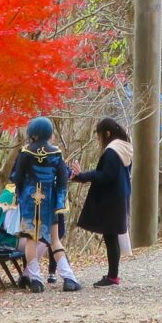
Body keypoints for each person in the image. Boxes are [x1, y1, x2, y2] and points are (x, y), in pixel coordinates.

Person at [8, 116, 73, 293]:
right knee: (54, 239)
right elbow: (63, 179)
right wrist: (59, 201)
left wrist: (21, 193)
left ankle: (35, 279)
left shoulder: (25, 152)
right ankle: (68, 278)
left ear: (33, 133)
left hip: (30, 202)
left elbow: (16, 177)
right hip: (50, 201)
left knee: (31, 240)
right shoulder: (56, 152)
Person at [68, 116, 134, 288]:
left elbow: (106, 175)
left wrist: (83, 176)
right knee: (111, 236)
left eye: (99, 136)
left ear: (107, 133)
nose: (98, 140)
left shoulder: (112, 151)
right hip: (120, 197)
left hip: (111, 199)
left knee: (110, 237)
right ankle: (113, 275)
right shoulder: (124, 148)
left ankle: (113, 276)